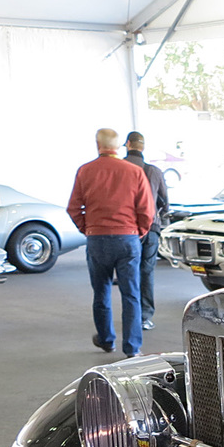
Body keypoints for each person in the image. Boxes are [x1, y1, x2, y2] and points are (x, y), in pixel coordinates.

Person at [67, 128, 154, 358]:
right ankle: (132, 348)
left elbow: (74, 208)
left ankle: (106, 340)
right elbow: (147, 210)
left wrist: (87, 229)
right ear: (119, 146)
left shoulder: (85, 171)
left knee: (101, 291)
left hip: (97, 239)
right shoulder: (134, 172)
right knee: (131, 294)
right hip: (128, 239)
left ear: (98, 144)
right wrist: (139, 232)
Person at [123, 131, 169, 330]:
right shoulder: (154, 171)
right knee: (146, 271)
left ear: (127, 144)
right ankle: (145, 316)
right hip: (151, 227)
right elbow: (165, 203)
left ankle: (130, 315)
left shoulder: (120, 170)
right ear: (142, 147)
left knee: (128, 271)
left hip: (126, 228)